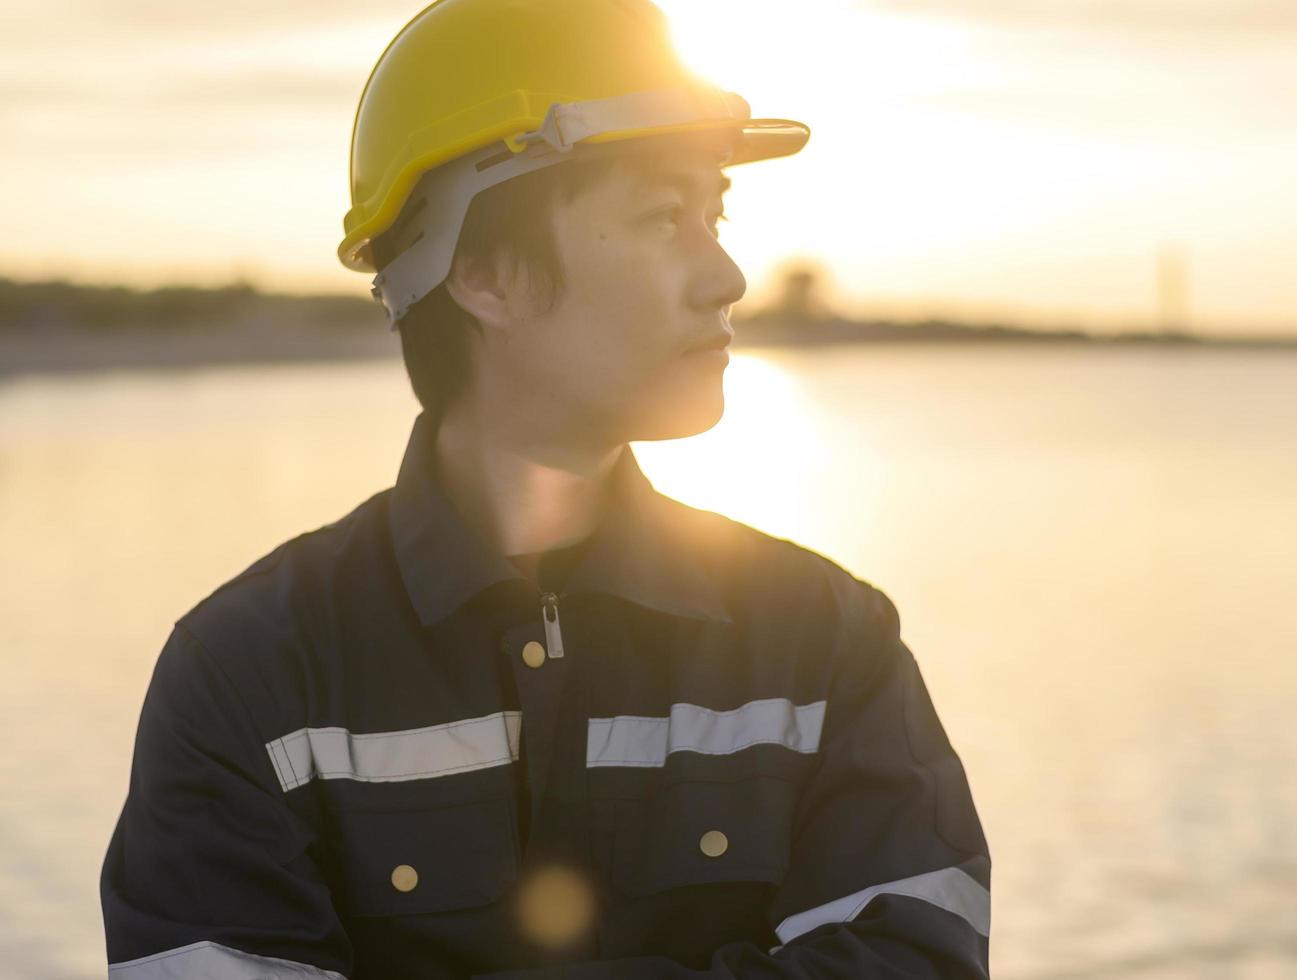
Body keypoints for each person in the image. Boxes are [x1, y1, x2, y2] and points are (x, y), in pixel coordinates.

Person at [98, 0, 991, 977]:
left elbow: (920, 960)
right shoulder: (251, 677)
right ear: (483, 274)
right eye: (661, 216)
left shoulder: (821, 640)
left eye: (715, 212)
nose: (726, 273)